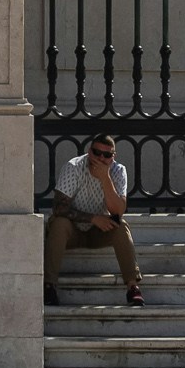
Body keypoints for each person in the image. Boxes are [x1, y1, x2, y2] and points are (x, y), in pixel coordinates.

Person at [43, 132, 144, 308]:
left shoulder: (118, 171)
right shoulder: (74, 167)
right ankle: (49, 286)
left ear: (113, 157)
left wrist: (105, 178)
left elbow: (118, 211)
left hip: (98, 232)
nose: (100, 158)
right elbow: (58, 207)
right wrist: (93, 218)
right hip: (72, 230)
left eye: (107, 155)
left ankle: (132, 287)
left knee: (121, 226)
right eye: (97, 153)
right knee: (58, 224)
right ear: (89, 151)